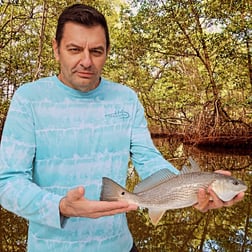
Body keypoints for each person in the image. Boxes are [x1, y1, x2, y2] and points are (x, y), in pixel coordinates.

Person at [0, 4, 244, 252]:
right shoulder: (28, 99)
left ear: (107, 52)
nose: (86, 61)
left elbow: (148, 159)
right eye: (74, 49)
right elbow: (7, 182)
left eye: (96, 51)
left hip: (120, 245)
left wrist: (190, 186)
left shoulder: (126, 99)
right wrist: (60, 206)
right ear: (56, 49)